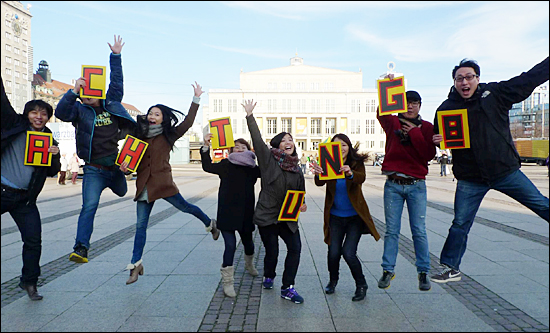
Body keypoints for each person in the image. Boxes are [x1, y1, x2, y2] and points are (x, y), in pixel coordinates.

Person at [431, 57, 550, 284]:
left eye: (469, 77)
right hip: (470, 178)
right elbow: (441, 138)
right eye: (459, 79)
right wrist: (438, 141)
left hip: (504, 170)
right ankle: (450, 267)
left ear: (477, 78)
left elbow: (528, 79)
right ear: (454, 82)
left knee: (540, 203)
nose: (464, 82)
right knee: (460, 223)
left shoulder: (495, 94)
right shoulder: (445, 109)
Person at [122, 82, 219, 285]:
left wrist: (196, 99)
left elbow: (189, 122)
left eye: (157, 114)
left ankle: (209, 223)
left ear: (163, 118)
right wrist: (126, 168)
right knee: (140, 226)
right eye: (150, 113)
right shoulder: (138, 134)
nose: (152, 116)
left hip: (163, 183)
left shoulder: (169, 134)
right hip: (144, 186)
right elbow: (132, 160)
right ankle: (135, 264)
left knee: (185, 207)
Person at [55, 35, 137, 264]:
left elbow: (117, 83)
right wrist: (72, 92)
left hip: (114, 168)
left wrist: (116, 56)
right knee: (88, 207)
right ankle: (81, 248)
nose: (86, 95)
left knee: (121, 192)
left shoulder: (111, 104)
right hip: (93, 169)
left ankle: (116, 181)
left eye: (91, 91)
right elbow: (61, 113)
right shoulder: (79, 111)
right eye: (83, 93)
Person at [1, 76, 61, 300]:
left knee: (33, 240)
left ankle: (29, 283)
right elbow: (2, 101)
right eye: (35, 112)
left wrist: (55, 156)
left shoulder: (47, 137)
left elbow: (53, 171)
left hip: (25, 200)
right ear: (27, 115)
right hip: (2, 190)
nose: (39, 116)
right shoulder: (13, 125)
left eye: (44, 114)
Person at [243, 99, 307, 304]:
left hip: (288, 217)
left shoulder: (297, 168)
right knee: (272, 251)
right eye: (284, 140)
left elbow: (300, 194)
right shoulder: (268, 160)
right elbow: (257, 140)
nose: (289, 142)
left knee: (295, 248)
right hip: (268, 215)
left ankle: (288, 287)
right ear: (278, 145)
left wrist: (302, 205)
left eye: (291, 139)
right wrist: (250, 116)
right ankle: (269, 274)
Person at [376, 89, 436, 291]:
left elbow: (427, 155)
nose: (411, 106)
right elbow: (381, 113)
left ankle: (423, 272)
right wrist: (389, 85)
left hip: (416, 185)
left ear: (420, 105)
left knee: (419, 230)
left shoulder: (427, 127)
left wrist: (415, 133)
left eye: (415, 103)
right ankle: (387, 270)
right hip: (393, 185)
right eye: (407, 102)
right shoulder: (393, 122)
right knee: (392, 230)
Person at [310, 133, 380, 301]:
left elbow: (361, 178)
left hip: (354, 217)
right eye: (336, 145)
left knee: (348, 253)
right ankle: (333, 280)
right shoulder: (328, 162)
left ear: (349, 147)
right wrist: (319, 173)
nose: (340, 149)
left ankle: (361, 285)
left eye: (344, 145)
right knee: (333, 252)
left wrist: (349, 173)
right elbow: (319, 183)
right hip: (335, 217)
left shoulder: (356, 163)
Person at [200, 134, 261, 297]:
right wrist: (206, 147)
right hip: (227, 212)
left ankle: (249, 265)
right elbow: (207, 166)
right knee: (230, 245)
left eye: (243, 147)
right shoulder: (226, 164)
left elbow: (269, 172)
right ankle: (228, 282)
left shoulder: (253, 168)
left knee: (249, 244)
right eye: (236, 147)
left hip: (246, 212)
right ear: (230, 150)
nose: (240, 149)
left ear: (249, 150)